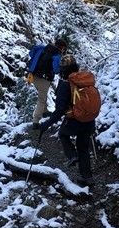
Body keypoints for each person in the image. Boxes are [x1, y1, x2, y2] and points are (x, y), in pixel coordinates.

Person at [39, 54, 96, 186]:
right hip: (89, 120)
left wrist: (46, 124)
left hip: (74, 120)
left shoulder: (65, 85)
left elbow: (59, 111)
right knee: (83, 149)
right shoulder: (85, 80)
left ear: (63, 70)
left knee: (63, 134)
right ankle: (87, 177)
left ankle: (72, 156)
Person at [25, 38, 68, 130]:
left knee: (41, 95)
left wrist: (21, 43)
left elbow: (32, 49)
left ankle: (45, 111)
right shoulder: (57, 55)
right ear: (62, 47)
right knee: (41, 99)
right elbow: (56, 70)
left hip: (33, 75)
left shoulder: (43, 48)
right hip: (44, 79)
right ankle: (35, 122)